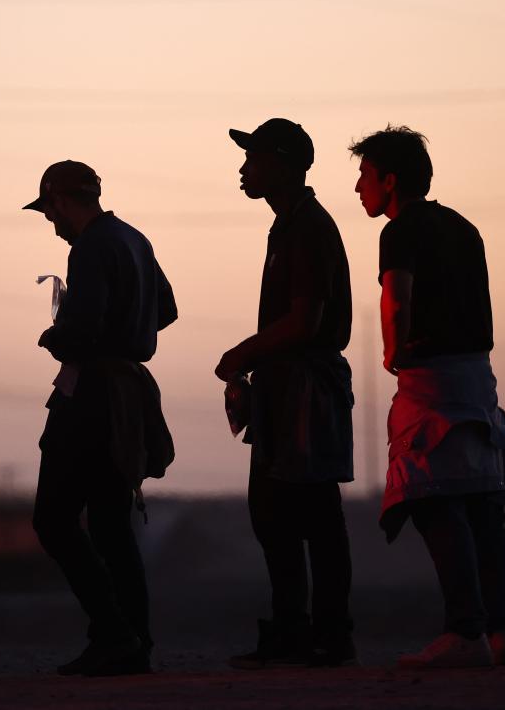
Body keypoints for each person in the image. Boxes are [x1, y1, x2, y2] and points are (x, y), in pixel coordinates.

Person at [350, 125, 505, 669]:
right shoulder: (464, 228)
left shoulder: (401, 229)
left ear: (389, 180)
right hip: (478, 378)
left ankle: (465, 631)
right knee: (482, 505)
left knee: (433, 498)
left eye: (364, 177)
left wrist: (393, 351)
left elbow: (397, 295)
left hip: (432, 380)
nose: (359, 188)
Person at [24, 161, 177, 677]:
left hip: (91, 395)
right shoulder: (135, 239)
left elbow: (81, 330)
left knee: (54, 519)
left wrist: (55, 336)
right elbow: (168, 309)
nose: (52, 222)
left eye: (50, 211)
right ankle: (136, 642)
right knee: (113, 526)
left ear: (62, 201)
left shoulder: (88, 247)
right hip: (128, 395)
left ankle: (112, 633)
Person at [215, 118, 357, 669]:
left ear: (281, 162)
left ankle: (325, 636)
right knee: (278, 515)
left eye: (252, 157)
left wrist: (242, 355)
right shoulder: (291, 225)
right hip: (286, 386)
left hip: (304, 387)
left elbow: (305, 320)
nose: (243, 168)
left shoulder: (307, 228)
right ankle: (299, 633)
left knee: (311, 515)